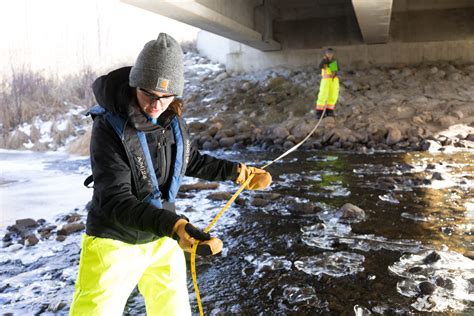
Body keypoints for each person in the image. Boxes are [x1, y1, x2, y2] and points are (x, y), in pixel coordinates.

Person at [69, 33, 272, 315]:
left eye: (166, 97)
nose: (156, 105)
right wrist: (176, 226)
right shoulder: (107, 127)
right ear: (134, 84)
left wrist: (239, 173)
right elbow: (115, 200)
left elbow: (189, 160)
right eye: (149, 95)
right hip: (114, 240)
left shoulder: (170, 119)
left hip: (161, 237)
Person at [315, 48, 340, 118]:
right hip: (326, 81)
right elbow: (320, 66)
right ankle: (319, 112)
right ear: (326, 54)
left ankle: (329, 111)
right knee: (323, 95)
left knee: (334, 95)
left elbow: (335, 70)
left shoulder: (333, 61)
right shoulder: (324, 61)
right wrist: (324, 60)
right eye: (328, 53)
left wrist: (333, 72)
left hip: (334, 80)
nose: (330, 55)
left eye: (331, 53)